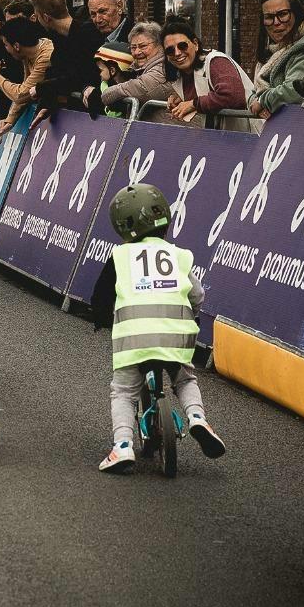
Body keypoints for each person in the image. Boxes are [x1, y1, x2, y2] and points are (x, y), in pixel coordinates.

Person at [89, 184, 227, 473]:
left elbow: (100, 297)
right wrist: (195, 317)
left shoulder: (120, 256)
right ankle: (198, 418)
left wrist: (100, 317)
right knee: (185, 379)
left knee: (123, 392)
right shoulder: (177, 255)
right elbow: (197, 294)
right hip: (177, 334)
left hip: (134, 338)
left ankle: (123, 445)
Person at [30, 0, 104, 120]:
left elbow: (78, 76)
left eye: (38, 16)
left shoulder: (87, 35)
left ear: (46, 18)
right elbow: (56, 72)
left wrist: (41, 88)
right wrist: (47, 103)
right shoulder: (59, 38)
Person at [162, 21, 253, 125]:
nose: (177, 53)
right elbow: (205, 93)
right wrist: (180, 98)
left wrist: (193, 103)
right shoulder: (182, 73)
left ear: (195, 44)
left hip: (251, 136)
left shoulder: (216, 61)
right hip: (223, 136)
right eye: (170, 50)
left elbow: (233, 96)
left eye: (182, 46)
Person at [94, 22, 172, 122]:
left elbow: (139, 88)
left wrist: (105, 94)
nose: (136, 52)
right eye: (133, 47)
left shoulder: (162, 69)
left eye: (143, 46)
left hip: (173, 135)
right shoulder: (142, 69)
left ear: (160, 45)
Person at [0, 16, 53, 138]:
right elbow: (26, 88)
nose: (6, 50)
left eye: (6, 45)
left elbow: (21, 94)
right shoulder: (27, 55)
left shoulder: (45, 57)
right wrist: (10, 119)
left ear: (17, 46)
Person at [88, 44, 136, 118]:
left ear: (112, 70)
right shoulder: (104, 86)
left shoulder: (133, 90)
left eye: (100, 70)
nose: (99, 74)